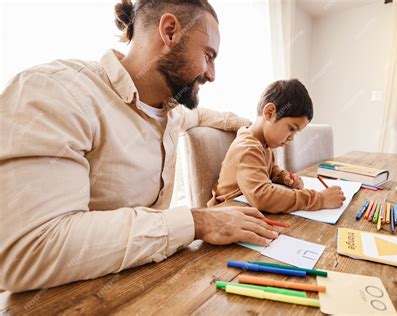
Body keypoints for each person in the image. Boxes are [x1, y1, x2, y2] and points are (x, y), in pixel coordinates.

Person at [0, 0, 278, 293]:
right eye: (208, 56)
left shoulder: (172, 111)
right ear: (169, 32)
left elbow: (204, 115)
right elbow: (28, 251)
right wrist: (195, 222)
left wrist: (250, 127)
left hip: (152, 288)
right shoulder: (56, 92)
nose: (212, 74)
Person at [208, 79, 346, 212]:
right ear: (270, 113)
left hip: (246, 209)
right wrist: (319, 199)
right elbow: (262, 196)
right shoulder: (248, 148)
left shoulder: (264, 144)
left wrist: (282, 176)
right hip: (228, 213)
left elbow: (268, 170)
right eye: (291, 128)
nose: (291, 138)